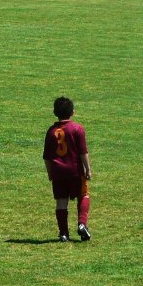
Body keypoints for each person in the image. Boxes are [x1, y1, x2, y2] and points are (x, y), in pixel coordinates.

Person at [42, 96, 92, 242]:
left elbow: (46, 156)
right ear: (73, 112)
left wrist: (50, 172)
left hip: (58, 172)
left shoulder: (51, 131)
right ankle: (82, 224)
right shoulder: (77, 129)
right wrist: (88, 169)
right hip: (75, 171)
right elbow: (83, 152)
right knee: (83, 195)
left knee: (61, 201)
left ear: (54, 112)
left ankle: (63, 233)